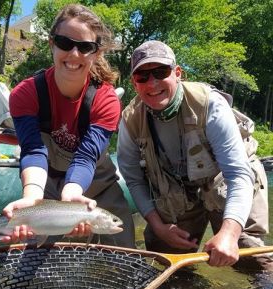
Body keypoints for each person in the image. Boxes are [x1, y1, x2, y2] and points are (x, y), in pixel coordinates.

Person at [117, 40, 273, 270]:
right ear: (134, 83)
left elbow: (237, 173)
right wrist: (159, 227)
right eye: (143, 76)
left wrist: (229, 233)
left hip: (225, 180)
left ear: (178, 73)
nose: (152, 83)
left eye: (161, 72)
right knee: (166, 262)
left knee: (249, 254)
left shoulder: (210, 104)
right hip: (177, 189)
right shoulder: (130, 120)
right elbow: (133, 179)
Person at [3, 4, 135, 248]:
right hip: (46, 187)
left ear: (96, 53)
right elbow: (33, 150)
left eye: (85, 47)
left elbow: (86, 158)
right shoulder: (25, 94)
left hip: (99, 186)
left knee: (124, 257)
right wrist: (33, 197)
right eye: (65, 43)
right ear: (52, 43)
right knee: (36, 263)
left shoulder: (106, 100)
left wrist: (72, 197)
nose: (74, 54)